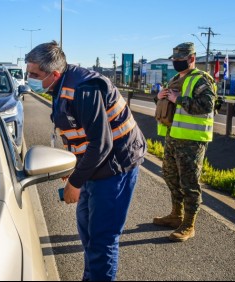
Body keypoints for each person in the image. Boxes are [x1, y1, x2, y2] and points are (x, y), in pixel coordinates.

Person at [25, 41, 146, 281]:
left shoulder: (84, 89)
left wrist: (75, 182)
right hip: (94, 165)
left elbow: (101, 143)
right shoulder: (61, 86)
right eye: (28, 72)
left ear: (55, 74)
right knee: (88, 234)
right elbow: (79, 134)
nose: (29, 78)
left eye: (34, 74)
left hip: (115, 167)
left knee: (102, 239)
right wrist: (72, 168)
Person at [152, 42, 216, 242]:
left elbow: (207, 105)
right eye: (175, 60)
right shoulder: (175, 78)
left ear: (192, 58)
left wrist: (177, 99)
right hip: (173, 137)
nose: (177, 63)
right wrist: (159, 97)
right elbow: (169, 104)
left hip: (191, 141)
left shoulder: (202, 80)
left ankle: (189, 225)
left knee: (189, 183)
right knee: (171, 176)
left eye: (181, 60)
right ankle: (175, 215)